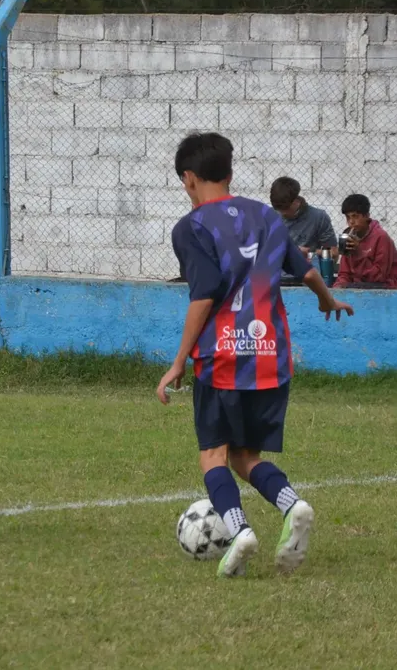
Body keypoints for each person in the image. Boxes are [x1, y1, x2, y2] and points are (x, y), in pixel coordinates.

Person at [156, 132, 354, 578]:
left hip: (222, 358)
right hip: (271, 356)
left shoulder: (191, 228)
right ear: (229, 172)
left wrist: (178, 362)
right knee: (246, 456)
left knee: (213, 455)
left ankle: (240, 530)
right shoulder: (266, 216)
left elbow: (204, 295)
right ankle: (293, 504)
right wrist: (327, 301)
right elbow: (305, 270)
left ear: (188, 179)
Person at [334, 193, 397, 289]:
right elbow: (344, 273)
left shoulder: (381, 237)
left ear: (366, 216)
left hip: (383, 289)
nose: (351, 222)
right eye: (348, 217)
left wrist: (359, 252)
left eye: (355, 216)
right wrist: (339, 286)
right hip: (357, 288)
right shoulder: (349, 237)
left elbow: (379, 277)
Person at [269, 176, 338, 260]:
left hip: (307, 270)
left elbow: (334, 253)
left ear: (295, 201)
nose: (282, 213)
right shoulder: (269, 216)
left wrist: (309, 252)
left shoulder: (319, 217)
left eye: (286, 209)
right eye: (278, 209)